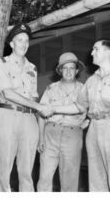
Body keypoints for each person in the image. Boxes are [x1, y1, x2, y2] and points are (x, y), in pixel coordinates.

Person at [58, 39, 110, 191]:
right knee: (96, 178)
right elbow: (79, 106)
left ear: (108, 51)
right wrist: (52, 108)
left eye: (96, 49)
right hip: (94, 129)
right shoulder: (91, 80)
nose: (91, 53)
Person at [0, 23, 53, 192]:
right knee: (4, 170)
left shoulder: (32, 68)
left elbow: (33, 96)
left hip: (29, 120)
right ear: (11, 44)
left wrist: (41, 111)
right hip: (8, 116)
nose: (24, 44)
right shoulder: (1, 63)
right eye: (19, 40)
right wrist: (38, 106)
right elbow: (9, 93)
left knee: (27, 171)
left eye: (26, 41)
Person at [37, 52, 88, 192]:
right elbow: (41, 114)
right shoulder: (51, 89)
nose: (68, 71)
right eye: (65, 68)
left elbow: (90, 109)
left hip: (72, 136)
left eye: (72, 68)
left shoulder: (83, 89)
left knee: (70, 180)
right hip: (50, 135)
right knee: (44, 178)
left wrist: (86, 122)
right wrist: (40, 138)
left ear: (77, 70)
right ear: (60, 71)